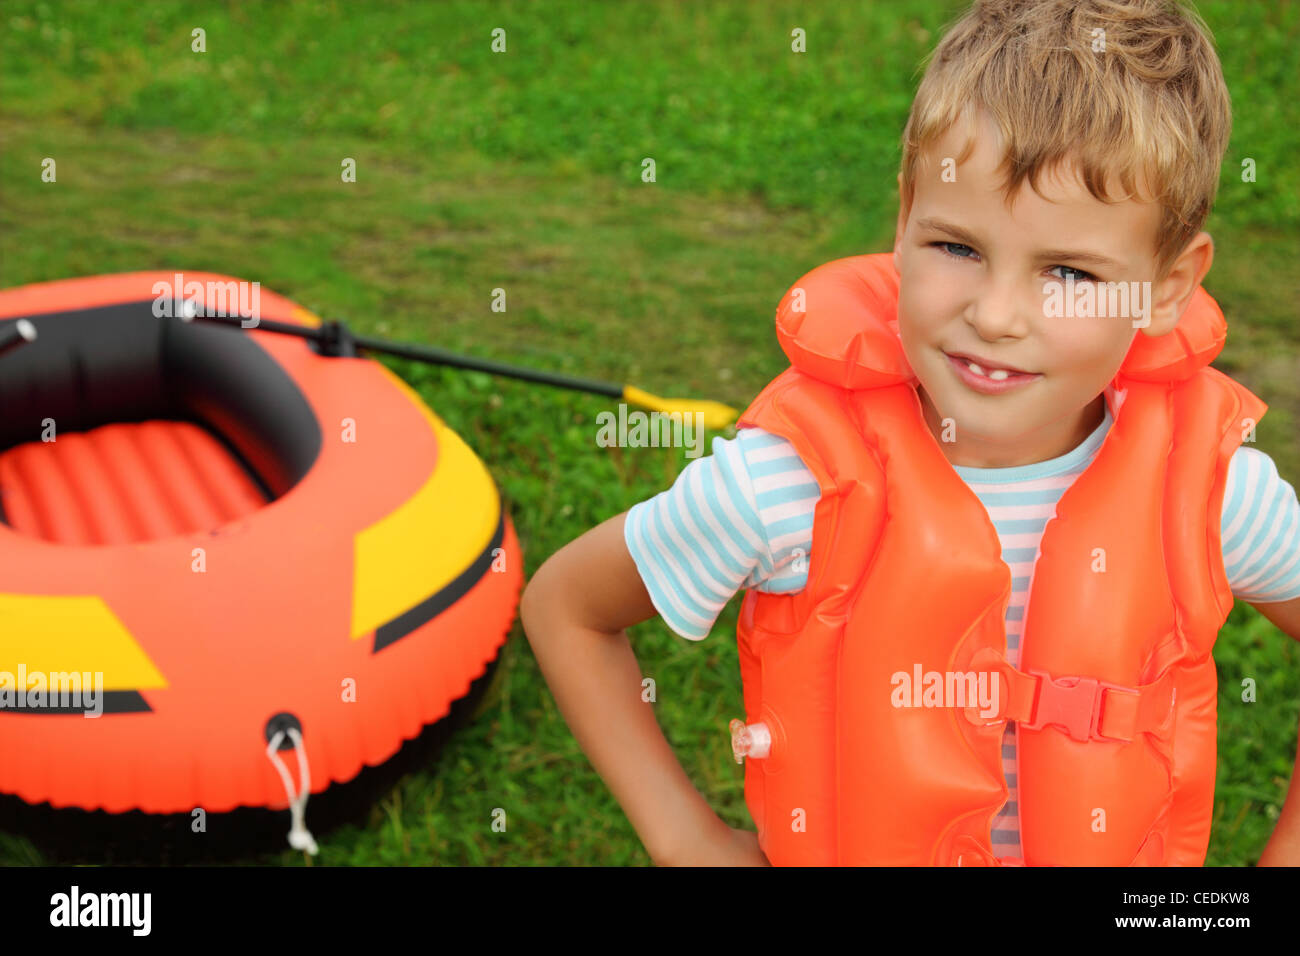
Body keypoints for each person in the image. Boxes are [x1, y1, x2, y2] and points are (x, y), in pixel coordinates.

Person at [519, 0, 1300, 866]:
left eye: (1069, 271)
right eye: (957, 248)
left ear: (1168, 283)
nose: (996, 316)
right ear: (903, 217)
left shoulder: (1211, 493)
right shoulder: (792, 487)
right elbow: (569, 608)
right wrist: (682, 836)